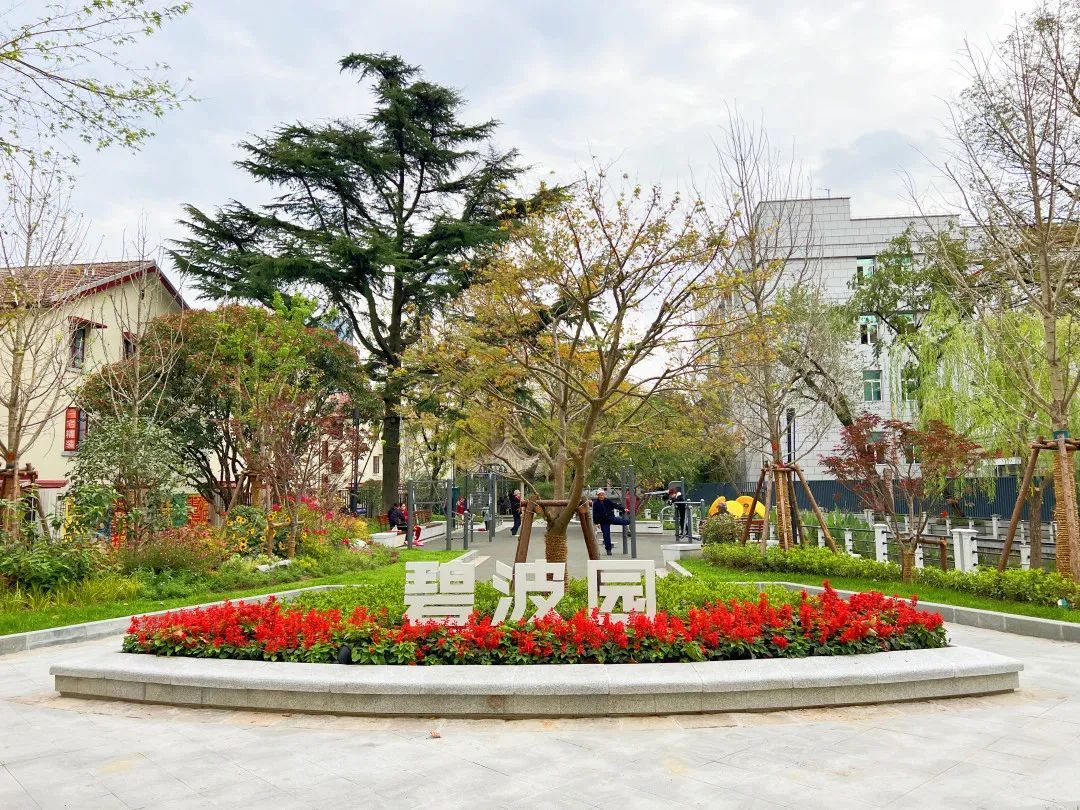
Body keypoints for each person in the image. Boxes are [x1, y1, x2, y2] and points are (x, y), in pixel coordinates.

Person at [592, 489, 629, 555]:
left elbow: (615, 505)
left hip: (610, 518)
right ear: (598, 496)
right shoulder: (596, 503)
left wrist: (623, 509)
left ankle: (630, 522)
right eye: (600, 495)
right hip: (603, 521)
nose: (601, 496)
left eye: (602, 495)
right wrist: (597, 523)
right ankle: (608, 549)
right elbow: (595, 514)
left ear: (604, 495)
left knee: (621, 521)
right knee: (606, 535)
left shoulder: (608, 501)